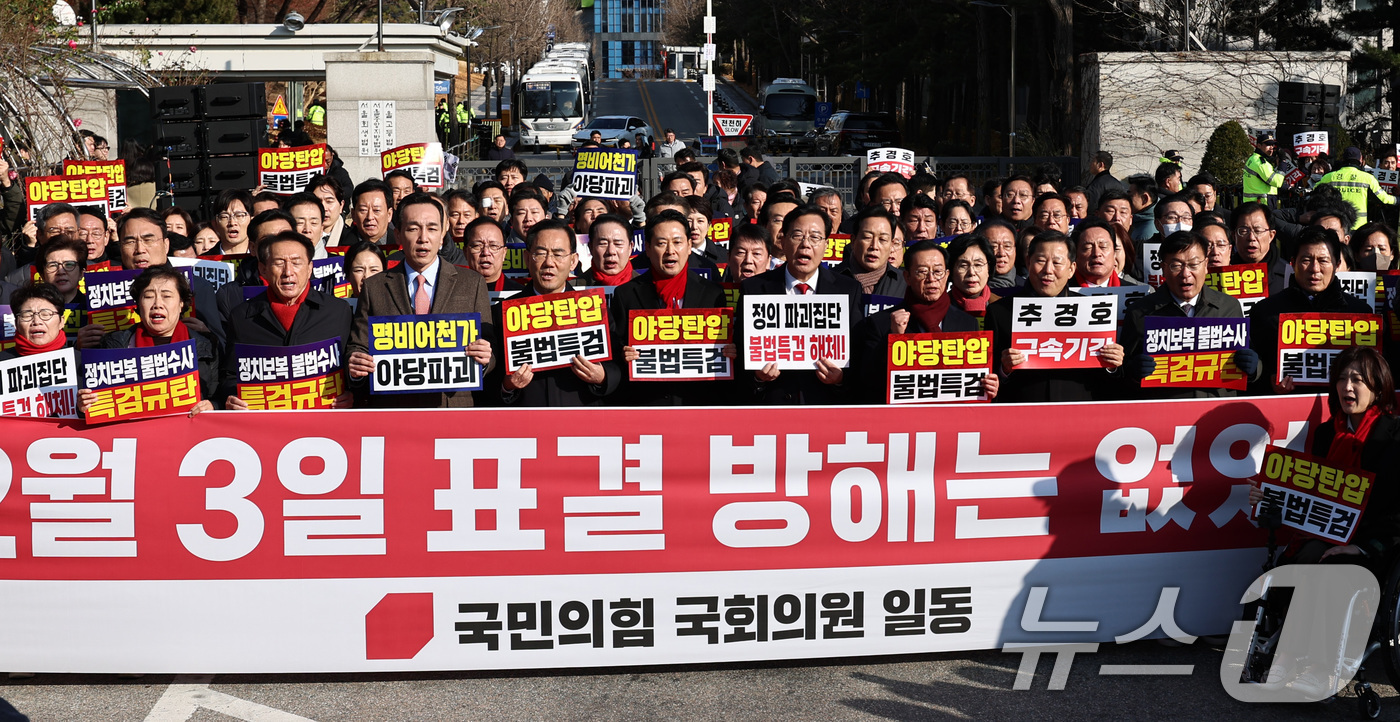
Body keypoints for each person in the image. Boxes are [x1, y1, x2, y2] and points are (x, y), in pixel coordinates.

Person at [347, 193, 495, 408]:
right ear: (397, 234)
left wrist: (484, 359)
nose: (423, 238)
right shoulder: (374, 286)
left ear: (443, 234)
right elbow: (358, 346)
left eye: (432, 228)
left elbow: (490, 349)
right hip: (394, 411)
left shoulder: (471, 283)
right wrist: (357, 364)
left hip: (452, 408)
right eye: (413, 228)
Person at [739, 204, 865, 405]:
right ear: (783, 240)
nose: (806, 245)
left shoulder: (848, 290)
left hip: (826, 409)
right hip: (771, 409)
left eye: (815, 237)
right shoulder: (754, 289)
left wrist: (840, 380)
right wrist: (758, 378)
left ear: (826, 244)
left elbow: (859, 356)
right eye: (797, 235)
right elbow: (741, 356)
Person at [1118, 231, 1262, 399]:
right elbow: (1120, 374)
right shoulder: (1140, 312)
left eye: (1194, 264)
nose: (1185, 274)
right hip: (1164, 415)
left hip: (1216, 413)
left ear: (1206, 265)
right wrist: (1133, 372)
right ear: (1163, 268)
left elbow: (1252, 362)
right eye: (1176, 265)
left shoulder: (1228, 307)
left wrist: (1254, 368)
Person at [986, 231, 1125, 402]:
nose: (1048, 270)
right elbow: (988, 380)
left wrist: (1112, 366)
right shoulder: (1000, 311)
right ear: (1029, 262)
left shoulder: (1094, 312)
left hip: (1080, 415)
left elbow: (1112, 384)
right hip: (1022, 415)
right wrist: (1004, 370)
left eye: (1057, 262)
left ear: (1071, 269)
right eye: (1041, 261)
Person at [220, 231, 353, 409]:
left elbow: (352, 367)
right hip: (265, 426)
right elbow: (229, 376)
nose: (288, 272)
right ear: (263, 270)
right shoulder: (241, 317)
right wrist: (232, 397)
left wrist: (352, 394)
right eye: (279, 263)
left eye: (296, 263)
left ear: (310, 268)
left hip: (325, 422)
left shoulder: (337, 311)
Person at [495, 219, 620, 407]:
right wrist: (508, 385)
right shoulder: (503, 312)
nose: (549, 263)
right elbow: (490, 379)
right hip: (525, 425)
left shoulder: (593, 309)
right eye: (540, 253)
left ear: (573, 261)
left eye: (558, 254)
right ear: (527, 258)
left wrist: (603, 377)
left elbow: (618, 365)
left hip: (581, 423)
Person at [852, 239, 994, 404]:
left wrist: (988, 385)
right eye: (922, 271)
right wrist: (893, 339)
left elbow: (974, 380)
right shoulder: (882, 323)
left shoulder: (967, 324)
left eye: (938, 271)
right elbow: (867, 382)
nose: (931, 279)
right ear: (907, 276)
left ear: (947, 275)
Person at [612, 210, 730, 405]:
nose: (670, 251)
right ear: (647, 249)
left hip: (697, 404)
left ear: (689, 246)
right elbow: (615, 353)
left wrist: (728, 353)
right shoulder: (625, 295)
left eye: (677, 242)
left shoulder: (712, 294)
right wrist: (623, 356)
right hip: (646, 404)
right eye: (661, 243)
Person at [1248, 226, 1372, 395]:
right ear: (1292, 263)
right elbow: (1255, 374)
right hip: (1285, 413)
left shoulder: (1361, 314)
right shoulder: (1265, 312)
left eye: (1323, 261)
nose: (1315, 269)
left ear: (1336, 264)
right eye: (1306, 260)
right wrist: (1269, 382)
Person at [79, 266, 218, 416]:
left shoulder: (206, 346)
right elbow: (96, 406)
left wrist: (213, 406)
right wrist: (84, 405)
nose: (157, 304)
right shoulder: (114, 345)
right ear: (138, 304)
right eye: (148, 296)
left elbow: (220, 396)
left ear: (181, 304)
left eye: (166, 296)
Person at [115, 208, 225, 348]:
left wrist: (207, 335)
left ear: (166, 245)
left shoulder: (196, 286)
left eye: (148, 240)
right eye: (130, 242)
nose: (140, 249)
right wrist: (81, 345)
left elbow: (223, 348)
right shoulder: (103, 292)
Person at [1317, 147, 1396, 229]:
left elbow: (1314, 191)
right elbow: (1383, 198)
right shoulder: (1368, 178)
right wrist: (1397, 199)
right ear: (1361, 160)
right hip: (1359, 227)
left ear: (1343, 159)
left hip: (1335, 226)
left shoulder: (1329, 177)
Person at [835, 208, 906, 298]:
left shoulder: (904, 283)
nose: (874, 246)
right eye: (867, 237)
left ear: (891, 245)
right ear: (853, 241)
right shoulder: (829, 279)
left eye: (883, 239)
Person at [0, 284, 72, 362]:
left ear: (61, 321)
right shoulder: (3, 363)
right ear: (16, 324)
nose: (37, 321)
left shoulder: (78, 363)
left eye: (45, 314)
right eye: (27, 315)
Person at [1230, 202, 1289, 295]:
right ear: (1234, 236)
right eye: (1244, 231)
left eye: (1258, 231)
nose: (1251, 238)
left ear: (1271, 235)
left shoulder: (1288, 275)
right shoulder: (1223, 273)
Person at [1072, 218, 1138, 287]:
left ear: (1114, 253)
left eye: (1103, 246)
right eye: (1088, 248)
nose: (1097, 254)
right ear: (1075, 254)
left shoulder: (1133, 293)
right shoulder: (1062, 293)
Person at [946, 234, 998, 323]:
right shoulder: (940, 308)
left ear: (988, 269)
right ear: (951, 270)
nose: (972, 273)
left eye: (978, 265)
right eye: (963, 265)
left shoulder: (1003, 306)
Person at [1243, 132, 1286, 206]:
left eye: (1272, 145)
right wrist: (1283, 162)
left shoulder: (1254, 158)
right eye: (1268, 145)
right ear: (1259, 146)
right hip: (1262, 203)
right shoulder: (1260, 163)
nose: (1271, 147)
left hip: (1254, 203)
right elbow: (1277, 182)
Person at [208, 189, 255, 256]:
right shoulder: (204, 262)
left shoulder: (263, 260)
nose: (232, 223)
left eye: (239, 215)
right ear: (215, 223)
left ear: (252, 220)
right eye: (224, 216)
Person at [977, 218, 1021, 289]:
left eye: (1007, 246)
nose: (1001, 253)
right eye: (993, 247)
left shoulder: (1027, 289)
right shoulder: (970, 292)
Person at [307, 175, 348, 248]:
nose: (324, 208)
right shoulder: (297, 238)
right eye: (317, 202)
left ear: (341, 206)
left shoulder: (351, 239)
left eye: (329, 201)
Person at [283, 193, 328, 259]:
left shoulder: (340, 265)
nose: (307, 230)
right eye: (300, 223)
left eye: (313, 223)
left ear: (321, 229)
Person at [349, 180, 394, 246]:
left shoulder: (402, 245)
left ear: (389, 214)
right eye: (363, 210)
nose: (370, 217)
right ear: (353, 214)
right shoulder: (339, 247)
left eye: (376, 210)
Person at [1124, 174, 1158, 243]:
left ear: (1144, 199)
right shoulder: (1140, 221)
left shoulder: (1146, 233)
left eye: (1130, 196)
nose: (1127, 200)